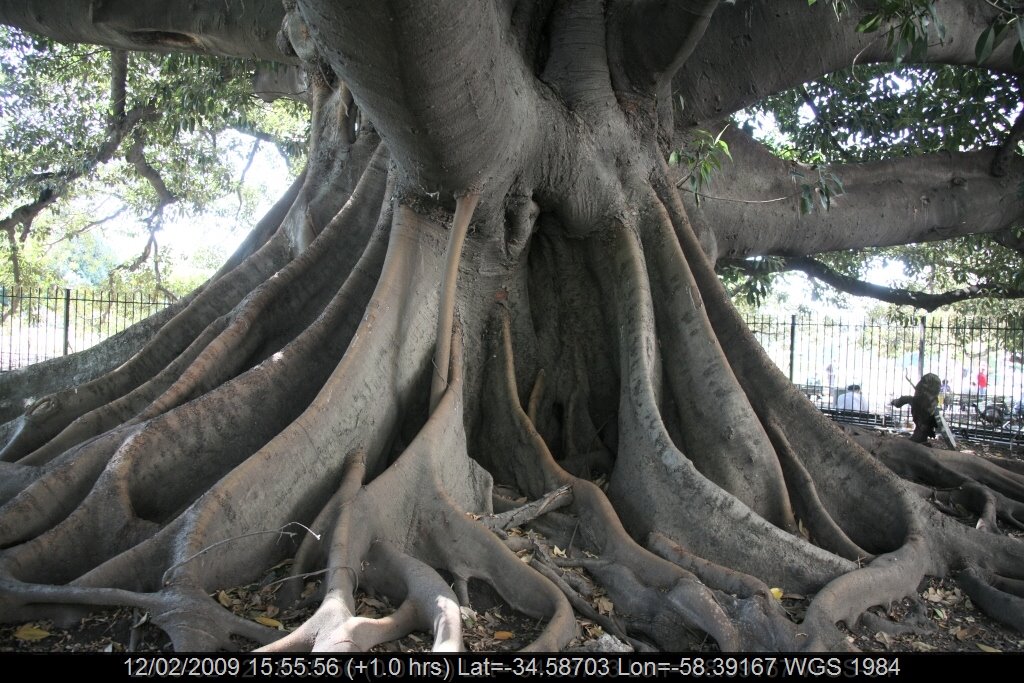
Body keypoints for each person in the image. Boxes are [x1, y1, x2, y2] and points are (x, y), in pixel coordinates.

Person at [891, 374, 940, 443]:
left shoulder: (917, 400)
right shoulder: (934, 401)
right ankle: (921, 436)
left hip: (921, 429)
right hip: (923, 428)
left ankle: (920, 437)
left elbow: (902, 401)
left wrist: (895, 402)